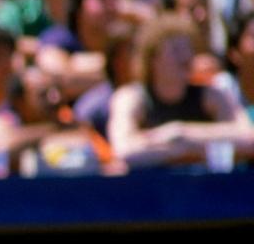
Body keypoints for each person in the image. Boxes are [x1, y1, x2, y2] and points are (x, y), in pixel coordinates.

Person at [106, 14, 253, 169]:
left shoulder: (212, 96)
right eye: (176, 50)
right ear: (152, 59)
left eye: (188, 48)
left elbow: (248, 138)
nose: (186, 57)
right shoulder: (131, 97)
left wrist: (182, 135)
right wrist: (178, 150)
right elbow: (124, 149)